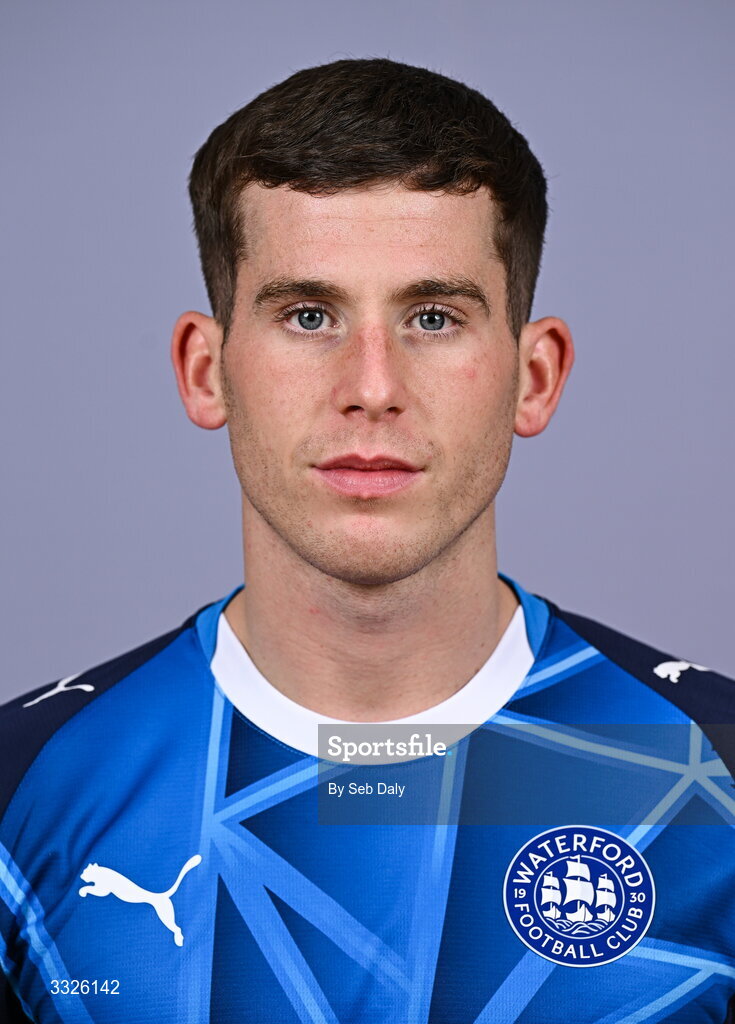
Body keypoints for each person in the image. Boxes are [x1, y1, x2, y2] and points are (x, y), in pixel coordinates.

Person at [1, 57, 733, 1024]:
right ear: (205, 370)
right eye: (308, 316)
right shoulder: (26, 793)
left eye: (433, 317)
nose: (372, 384)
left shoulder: (712, 775)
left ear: (534, 375)